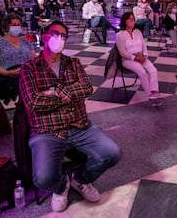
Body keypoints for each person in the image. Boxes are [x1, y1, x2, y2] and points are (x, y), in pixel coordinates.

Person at [19, 20, 121, 213]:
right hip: (48, 130)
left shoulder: (73, 63)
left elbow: (87, 88)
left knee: (112, 153)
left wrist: (53, 91)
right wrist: (67, 95)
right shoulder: (29, 68)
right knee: (42, 178)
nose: (60, 39)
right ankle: (61, 186)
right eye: (55, 34)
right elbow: (33, 102)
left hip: (79, 125)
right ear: (45, 35)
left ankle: (80, 180)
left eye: (64, 36)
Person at [116, 12, 163, 104]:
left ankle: (154, 91)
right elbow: (123, 52)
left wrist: (144, 55)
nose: (132, 21)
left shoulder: (138, 32)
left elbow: (144, 46)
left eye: (133, 19)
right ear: (125, 21)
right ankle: (150, 95)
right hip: (128, 60)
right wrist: (134, 58)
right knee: (142, 72)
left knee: (153, 70)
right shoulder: (120, 35)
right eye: (130, 19)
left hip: (141, 56)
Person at [0, 13, 36, 104]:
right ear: (6, 27)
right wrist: (7, 72)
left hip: (27, 72)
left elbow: (35, 59)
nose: (17, 27)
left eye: (18, 25)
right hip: (7, 73)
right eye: (13, 25)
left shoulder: (26, 42)